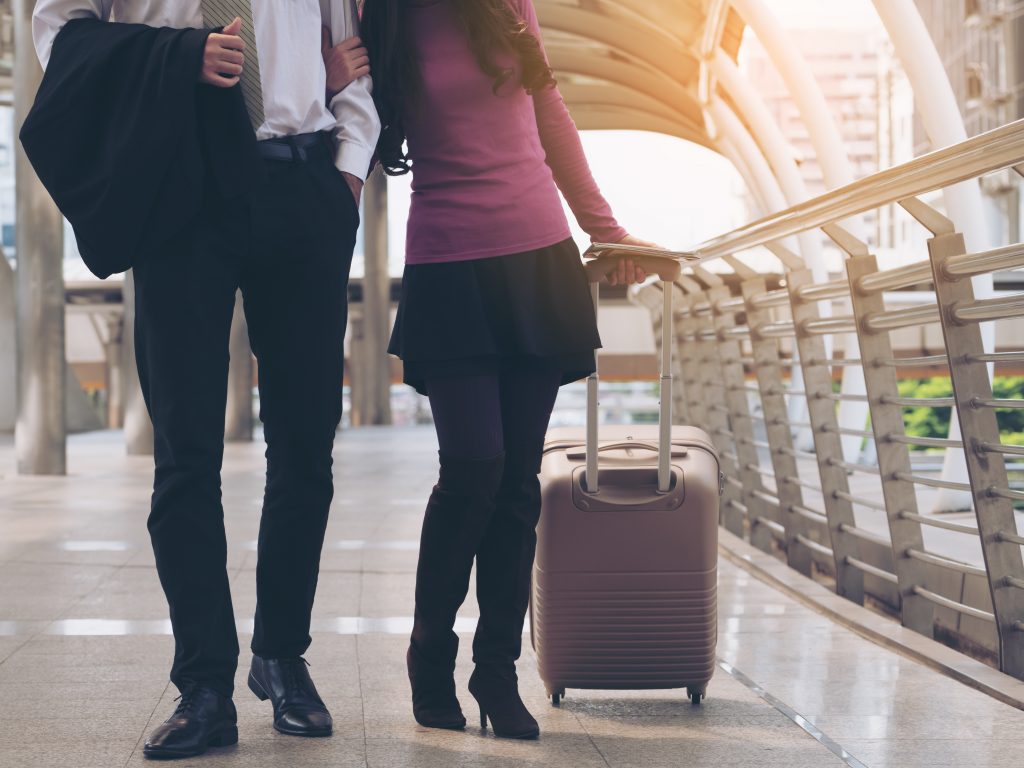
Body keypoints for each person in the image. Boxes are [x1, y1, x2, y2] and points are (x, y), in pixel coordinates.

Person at [32, 1, 379, 760]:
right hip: (180, 193)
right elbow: (57, 31)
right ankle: (204, 687)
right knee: (185, 457)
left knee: (305, 447)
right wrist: (175, 57)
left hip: (302, 185)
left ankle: (282, 656)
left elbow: (349, 59)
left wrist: (345, 182)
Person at [356, 0, 652, 741]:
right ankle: (431, 653)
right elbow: (352, 126)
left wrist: (606, 229)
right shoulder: (376, 14)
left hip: (537, 254)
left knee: (518, 482)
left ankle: (496, 672)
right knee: (473, 469)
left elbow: (548, 107)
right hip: (448, 261)